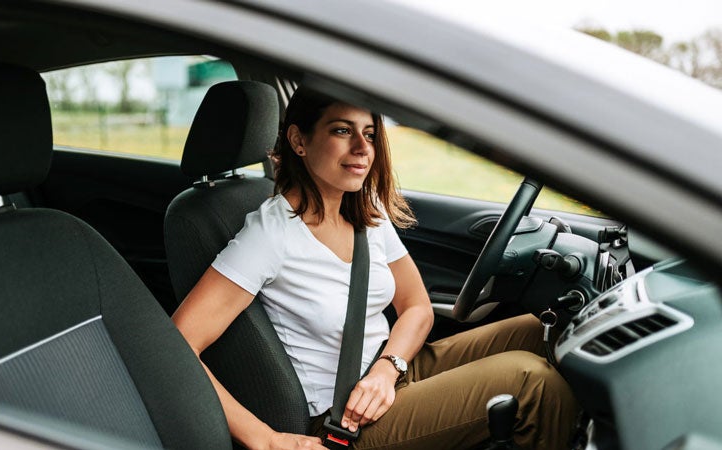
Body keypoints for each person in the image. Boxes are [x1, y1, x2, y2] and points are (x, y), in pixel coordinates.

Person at [172, 87, 577, 450]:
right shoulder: (270, 233)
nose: (363, 149)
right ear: (298, 140)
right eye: (342, 131)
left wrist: (387, 369)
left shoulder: (367, 211)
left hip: (391, 370)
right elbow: (177, 344)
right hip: (346, 417)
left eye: (368, 134)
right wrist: (265, 439)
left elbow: (416, 305)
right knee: (531, 383)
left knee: (545, 329)